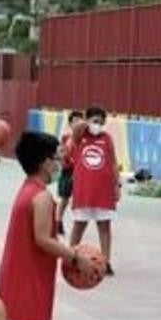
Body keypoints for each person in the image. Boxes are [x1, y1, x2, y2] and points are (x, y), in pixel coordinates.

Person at [0, 132, 85, 320]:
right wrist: (75, 256)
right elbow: (42, 240)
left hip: (14, 272)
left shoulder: (26, 189)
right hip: (29, 275)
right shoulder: (42, 197)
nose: (60, 161)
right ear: (44, 162)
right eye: (56, 157)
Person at [67, 105, 120, 275]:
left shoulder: (107, 138)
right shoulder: (80, 136)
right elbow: (75, 128)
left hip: (103, 192)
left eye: (101, 122)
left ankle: (106, 261)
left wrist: (116, 186)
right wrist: (86, 122)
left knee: (104, 227)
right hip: (84, 191)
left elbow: (113, 163)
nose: (98, 124)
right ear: (88, 120)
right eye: (95, 121)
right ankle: (70, 258)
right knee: (79, 226)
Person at [56, 110, 84, 235]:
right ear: (70, 124)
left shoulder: (85, 139)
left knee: (79, 200)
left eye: (80, 121)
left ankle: (77, 224)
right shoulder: (65, 138)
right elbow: (61, 153)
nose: (77, 123)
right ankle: (58, 221)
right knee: (64, 199)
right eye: (75, 121)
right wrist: (63, 160)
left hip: (80, 171)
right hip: (68, 171)